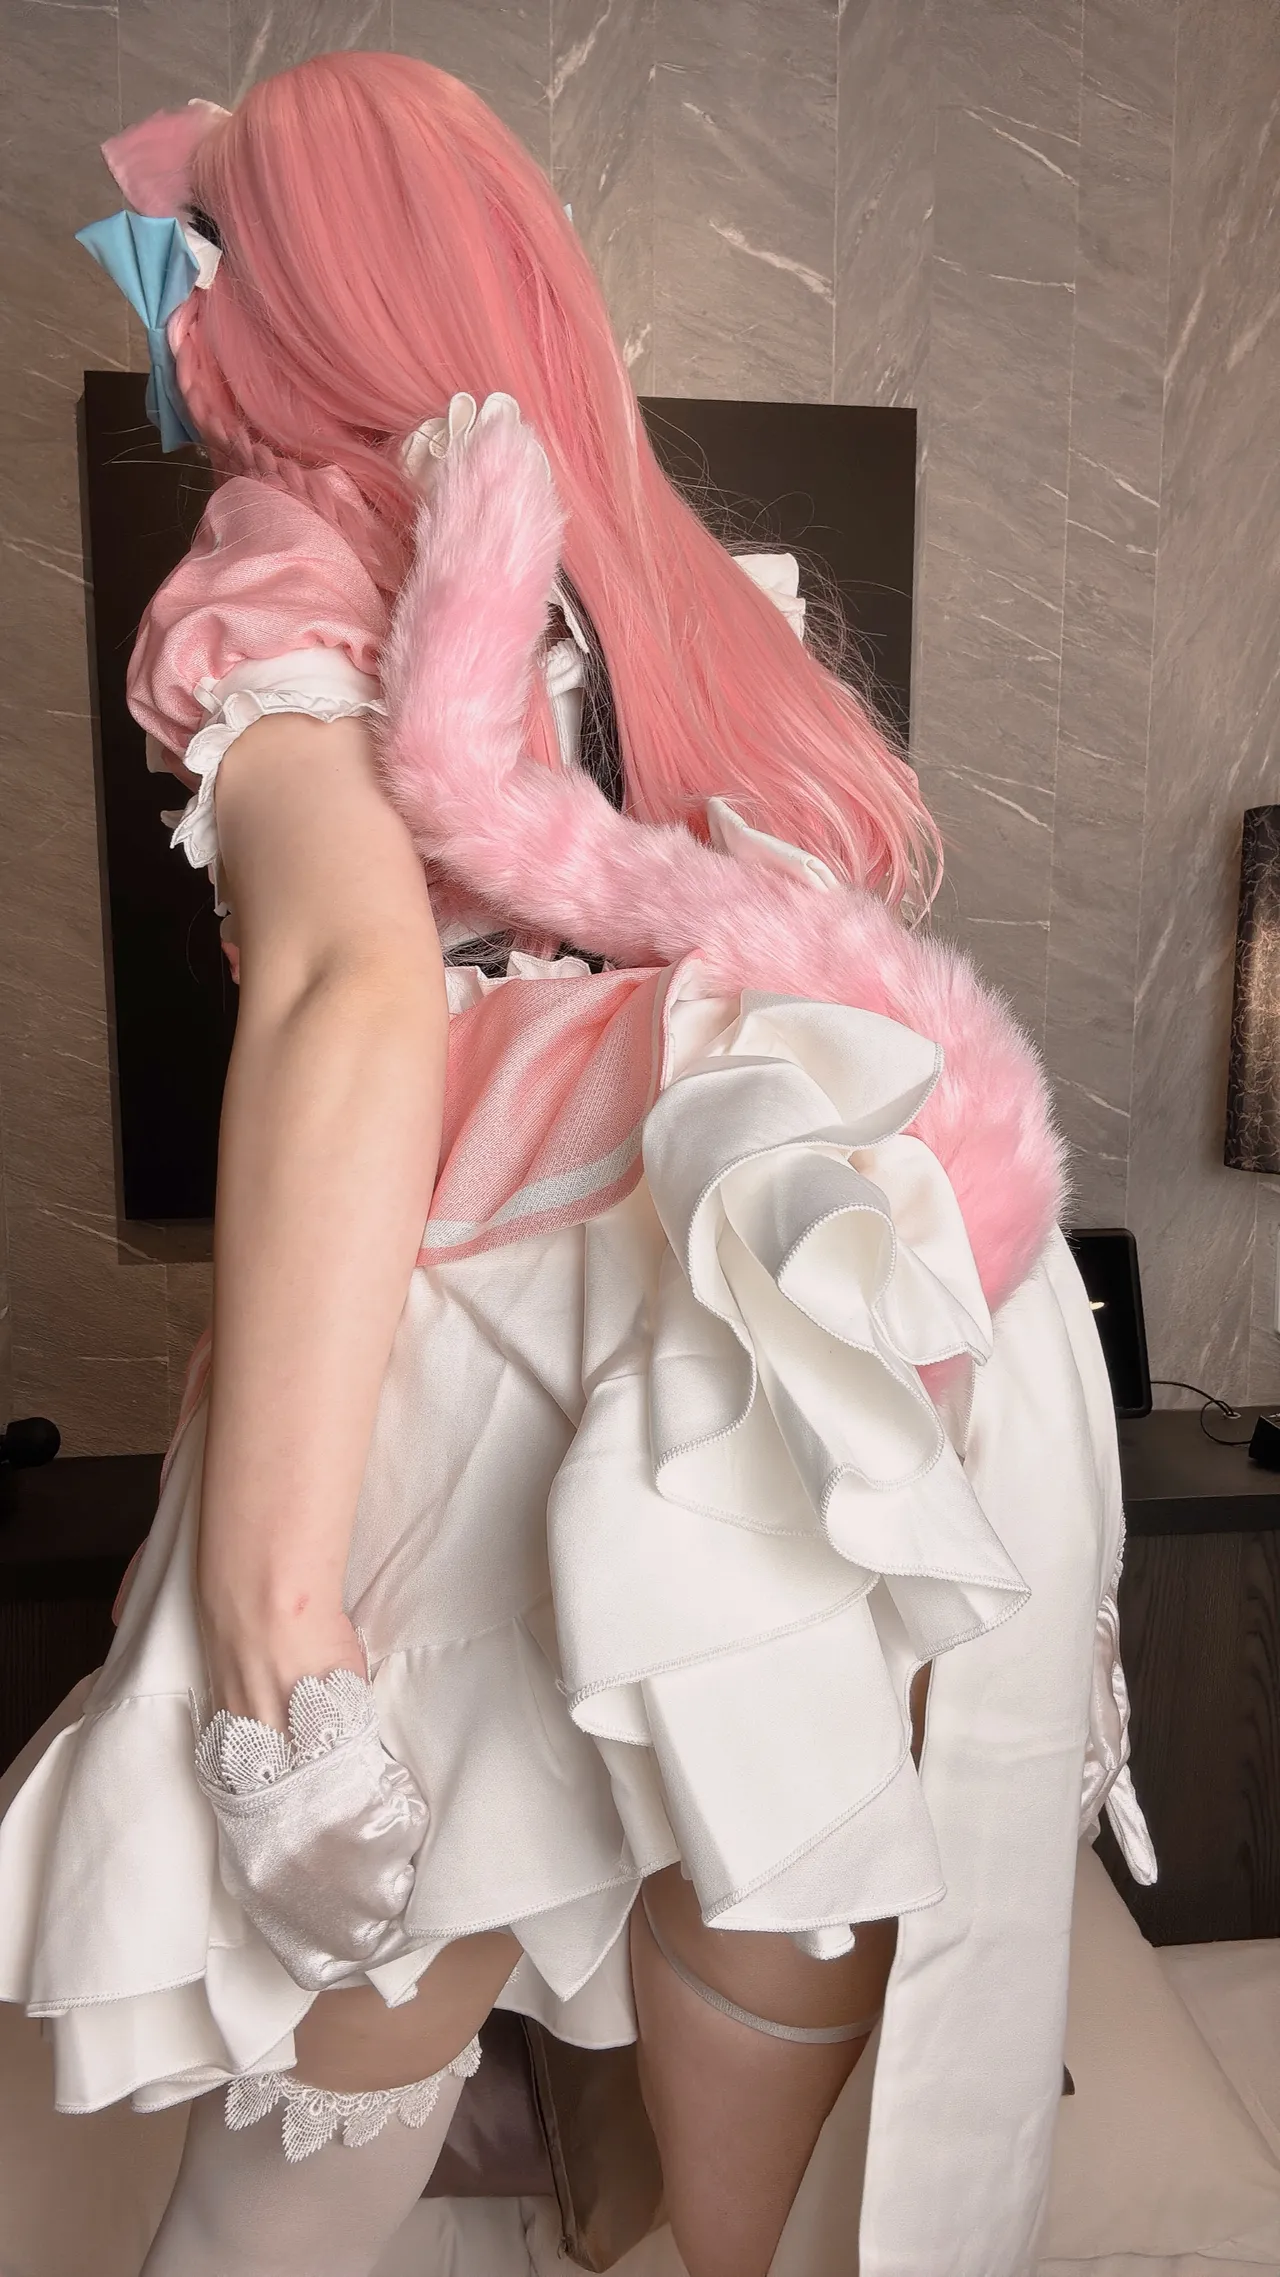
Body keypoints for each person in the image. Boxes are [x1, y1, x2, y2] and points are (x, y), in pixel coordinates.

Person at [0, 51, 1154, 2277]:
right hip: (809, 1309)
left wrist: (274, 1622)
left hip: (490, 1328)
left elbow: (347, 989)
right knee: (762, 1850)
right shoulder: (664, 585)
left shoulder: (291, 551)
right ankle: (633, 2209)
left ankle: (542, 2147)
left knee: (323, 2066)